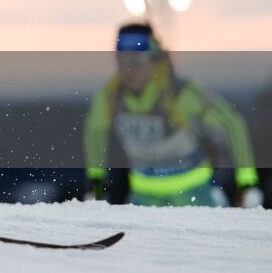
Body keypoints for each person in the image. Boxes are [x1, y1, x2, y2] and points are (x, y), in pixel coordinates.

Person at [83, 22, 262, 208]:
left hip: (195, 197)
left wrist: (247, 183)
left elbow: (233, 123)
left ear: (153, 60)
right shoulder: (109, 98)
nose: (129, 70)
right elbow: (94, 133)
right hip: (143, 199)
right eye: (123, 61)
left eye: (136, 62)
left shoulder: (181, 95)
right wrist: (96, 183)